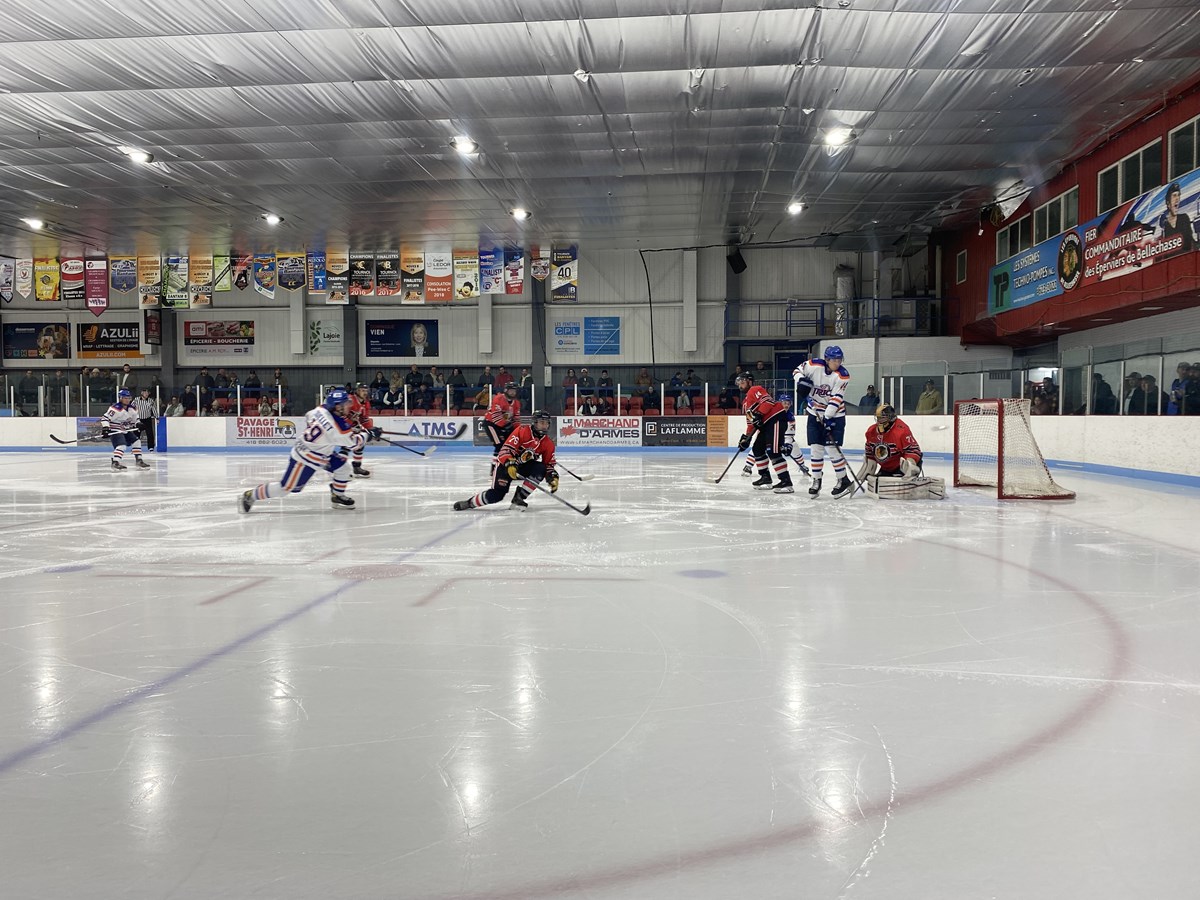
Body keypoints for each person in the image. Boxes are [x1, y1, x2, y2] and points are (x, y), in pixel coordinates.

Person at [239, 387, 379, 513]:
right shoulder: (336, 428)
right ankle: (251, 495)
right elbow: (354, 444)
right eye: (345, 404)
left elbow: (310, 417)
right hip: (305, 458)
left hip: (321, 453)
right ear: (337, 407)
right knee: (285, 488)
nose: (349, 405)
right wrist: (369, 435)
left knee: (343, 469)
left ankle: (337, 496)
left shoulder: (320, 409)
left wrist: (330, 436)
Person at [453, 410, 558, 511]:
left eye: (547, 423)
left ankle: (519, 498)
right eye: (542, 422)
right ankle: (470, 503)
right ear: (534, 423)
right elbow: (505, 450)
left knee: (540, 469)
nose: (545, 426)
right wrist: (509, 463)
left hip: (522, 467)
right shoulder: (522, 431)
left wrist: (552, 476)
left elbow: (548, 465)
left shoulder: (548, 444)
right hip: (505, 466)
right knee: (496, 495)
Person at [792, 345, 852, 497]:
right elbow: (796, 371)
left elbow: (836, 398)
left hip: (835, 416)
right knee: (816, 448)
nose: (838, 363)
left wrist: (827, 417)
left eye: (840, 360)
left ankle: (843, 479)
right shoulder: (814, 365)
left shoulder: (843, 375)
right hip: (814, 414)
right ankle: (816, 480)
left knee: (833, 449)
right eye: (834, 360)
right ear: (827, 359)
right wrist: (802, 381)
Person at [855, 405, 944, 499]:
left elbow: (913, 451)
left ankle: (912, 473)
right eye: (878, 418)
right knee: (881, 483)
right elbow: (871, 455)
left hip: (900, 467)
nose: (879, 421)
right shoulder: (871, 432)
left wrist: (909, 467)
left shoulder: (901, 430)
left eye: (882, 418)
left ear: (891, 418)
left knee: (897, 484)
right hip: (887, 467)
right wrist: (868, 471)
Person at [734, 371, 794, 493]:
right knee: (757, 449)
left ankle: (786, 482)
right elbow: (751, 423)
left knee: (773, 451)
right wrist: (746, 438)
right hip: (766, 425)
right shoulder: (745, 403)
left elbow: (768, 402)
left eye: (742, 382)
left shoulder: (755, 389)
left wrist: (759, 415)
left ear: (750, 381)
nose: (740, 385)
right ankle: (765, 478)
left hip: (775, 419)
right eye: (738, 383)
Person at [101, 389, 150, 470]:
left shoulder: (132, 409)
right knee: (122, 445)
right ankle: (115, 462)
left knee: (137, 441)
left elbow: (135, 420)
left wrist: (138, 424)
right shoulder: (115, 409)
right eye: (125, 398)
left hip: (125, 430)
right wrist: (106, 428)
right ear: (120, 398)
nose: (127, 400)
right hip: (115, 430)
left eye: (128, 398)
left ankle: (139, 460)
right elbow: (105, 418)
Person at [483, 382, 522, 468]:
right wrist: (507, 427)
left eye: (514, 391)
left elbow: (516, 419)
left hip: (504, 425)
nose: (513, 393)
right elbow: (496, 418)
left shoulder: (517, 403)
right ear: (506, 390)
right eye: (511, 390)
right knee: (499, 445)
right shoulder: (498, 398)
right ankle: (494, 468)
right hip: (491, 424)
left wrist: (518, 432)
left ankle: (510, 466)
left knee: (511, 445)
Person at [346, 383, 377, 477]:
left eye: (366, 391)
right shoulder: (350, 400)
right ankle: (340, 470)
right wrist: (349, 427)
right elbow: (341, 415)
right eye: (363, 390)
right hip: (342, 428)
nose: (365, 393)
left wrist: (371, 429)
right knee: (345, 447)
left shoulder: (366, 403)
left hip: (353, 427)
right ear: (357, 391)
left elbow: (364, 419)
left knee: (360, 444)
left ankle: (356, 467)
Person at [1156, 181, 1195, 254]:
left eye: (1178, 195)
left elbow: (1190, 242)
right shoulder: (1164, 226)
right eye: (1174, 195)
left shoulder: (1184, 218)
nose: (1177, 198)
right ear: (1168, 203)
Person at [133, 387, 158, 451]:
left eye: (147, 392)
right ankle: (135, 448)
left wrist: (156, 417)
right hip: (138, 419)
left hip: (147, 419)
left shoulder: (151, 401)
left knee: (150, 434)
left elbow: (154, 410)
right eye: (145, 392)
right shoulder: (136, 400)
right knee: (136, 434)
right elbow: (131, 408)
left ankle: (151, 447)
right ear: (142, 393)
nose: (146, 394)